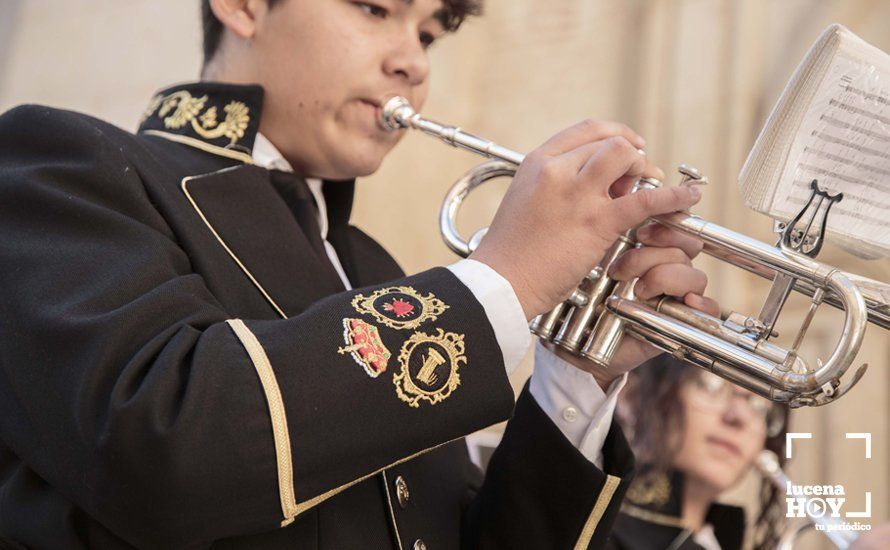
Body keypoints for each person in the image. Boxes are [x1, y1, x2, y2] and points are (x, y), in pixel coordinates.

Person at [0, 1, 716, 548]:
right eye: (375, 8)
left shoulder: (373, 268)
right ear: (245, 6)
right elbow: (156, 442)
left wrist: (577, 373)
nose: (414, 63)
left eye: (430, 32)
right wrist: (505, 279)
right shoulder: (60, 166)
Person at [607, 355, 789, 550]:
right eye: (708, 384)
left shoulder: (718, 539)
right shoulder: (595, 530)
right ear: (632, 396)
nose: (739, 416)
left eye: (759, 405)